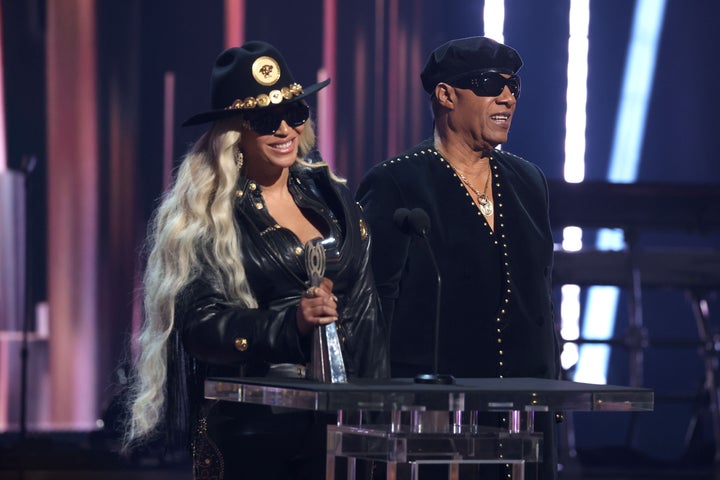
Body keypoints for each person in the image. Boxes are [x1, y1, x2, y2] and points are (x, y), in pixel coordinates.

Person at [123, 41, 389, 480]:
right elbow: (200, 327)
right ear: (234, 130)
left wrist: (376, 416)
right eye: (266, 118)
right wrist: (292, 325)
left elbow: (366, 315)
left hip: (340, 427)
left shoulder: (333, 197)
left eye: (295, 112)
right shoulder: (207, 215)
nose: (285, 128)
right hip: (252, 428)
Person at [356, 36, 561, 479]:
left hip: (526, 422)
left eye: (514, 87)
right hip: (434, 427)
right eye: (491, 84)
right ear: (446, 95)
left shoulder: (529, 182)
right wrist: (376, 413)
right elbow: (374, 311)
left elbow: (540, 300)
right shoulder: (397, 182)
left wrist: (553, 397)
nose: (507, 96)